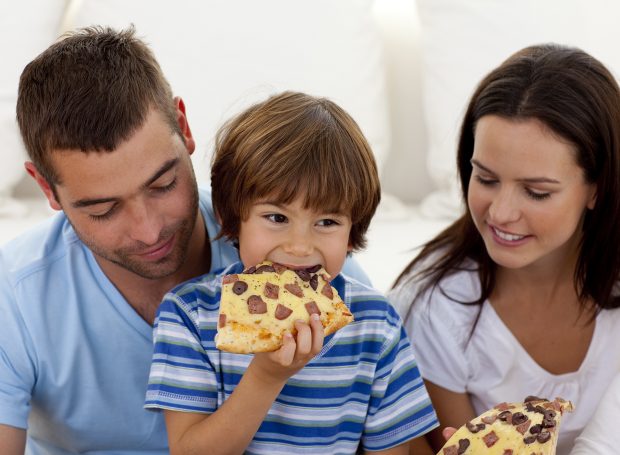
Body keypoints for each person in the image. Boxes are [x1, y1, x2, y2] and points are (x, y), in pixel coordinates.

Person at [0, 27, 371, 455]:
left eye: (163, 184)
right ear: (47, 189)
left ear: (183, 126)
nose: (147, 230)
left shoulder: (294, 252)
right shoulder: (16, 297)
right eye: (103, 210)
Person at [144, 91, 439, 454]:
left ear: (352, 233)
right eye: (277, 218)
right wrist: (267, 376)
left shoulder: (376, 325)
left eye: (327, 221)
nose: (300, 246)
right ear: (232, 218)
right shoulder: (188, 315)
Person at [388, 43, 620, 455]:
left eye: (535, 191)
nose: (500, 212)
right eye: (486, 179)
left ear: (597, 189)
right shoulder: (435, 308)